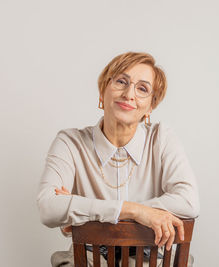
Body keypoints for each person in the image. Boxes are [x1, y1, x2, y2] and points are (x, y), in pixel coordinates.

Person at [36, 51, 200, 267]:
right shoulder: (70, 142)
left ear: (151, 106)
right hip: (88, 260)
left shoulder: (162, 138)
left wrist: (86, 215)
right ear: (102, 91)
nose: (129, 94)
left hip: (152, 260)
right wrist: (137, 212)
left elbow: (189, 202)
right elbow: (48, 207)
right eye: (121, 81)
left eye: (142, 88)